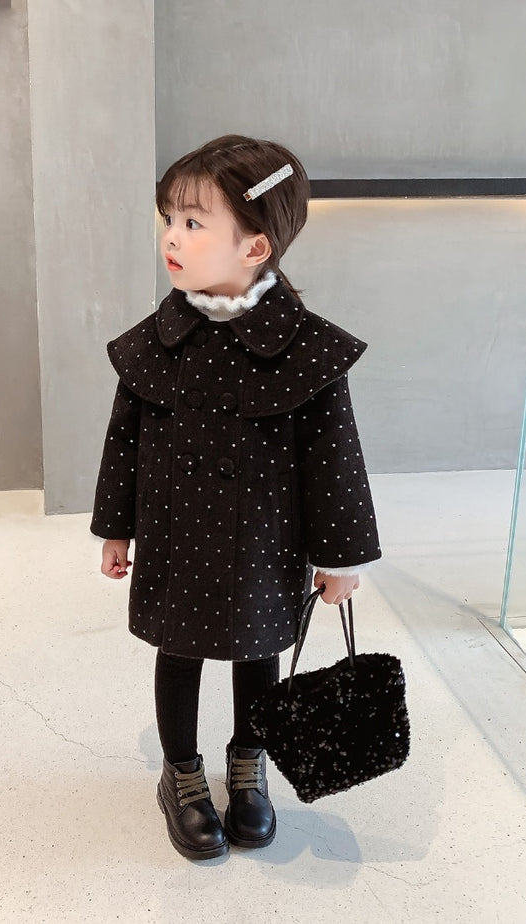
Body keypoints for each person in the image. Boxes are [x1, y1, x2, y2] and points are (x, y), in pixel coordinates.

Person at [90, 134, 381, 861]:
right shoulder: (154, 345)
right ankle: (183, 773)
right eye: (168, 218)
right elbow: (124, 440)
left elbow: (333, 459)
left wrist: (340, 557)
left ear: (254, 247)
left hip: (264, 537)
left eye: (193, 222)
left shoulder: (305, 349)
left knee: (258, 650)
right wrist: (116, 529)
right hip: (177, 530)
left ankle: (247, 765)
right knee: (179, 649)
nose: (171, 236)